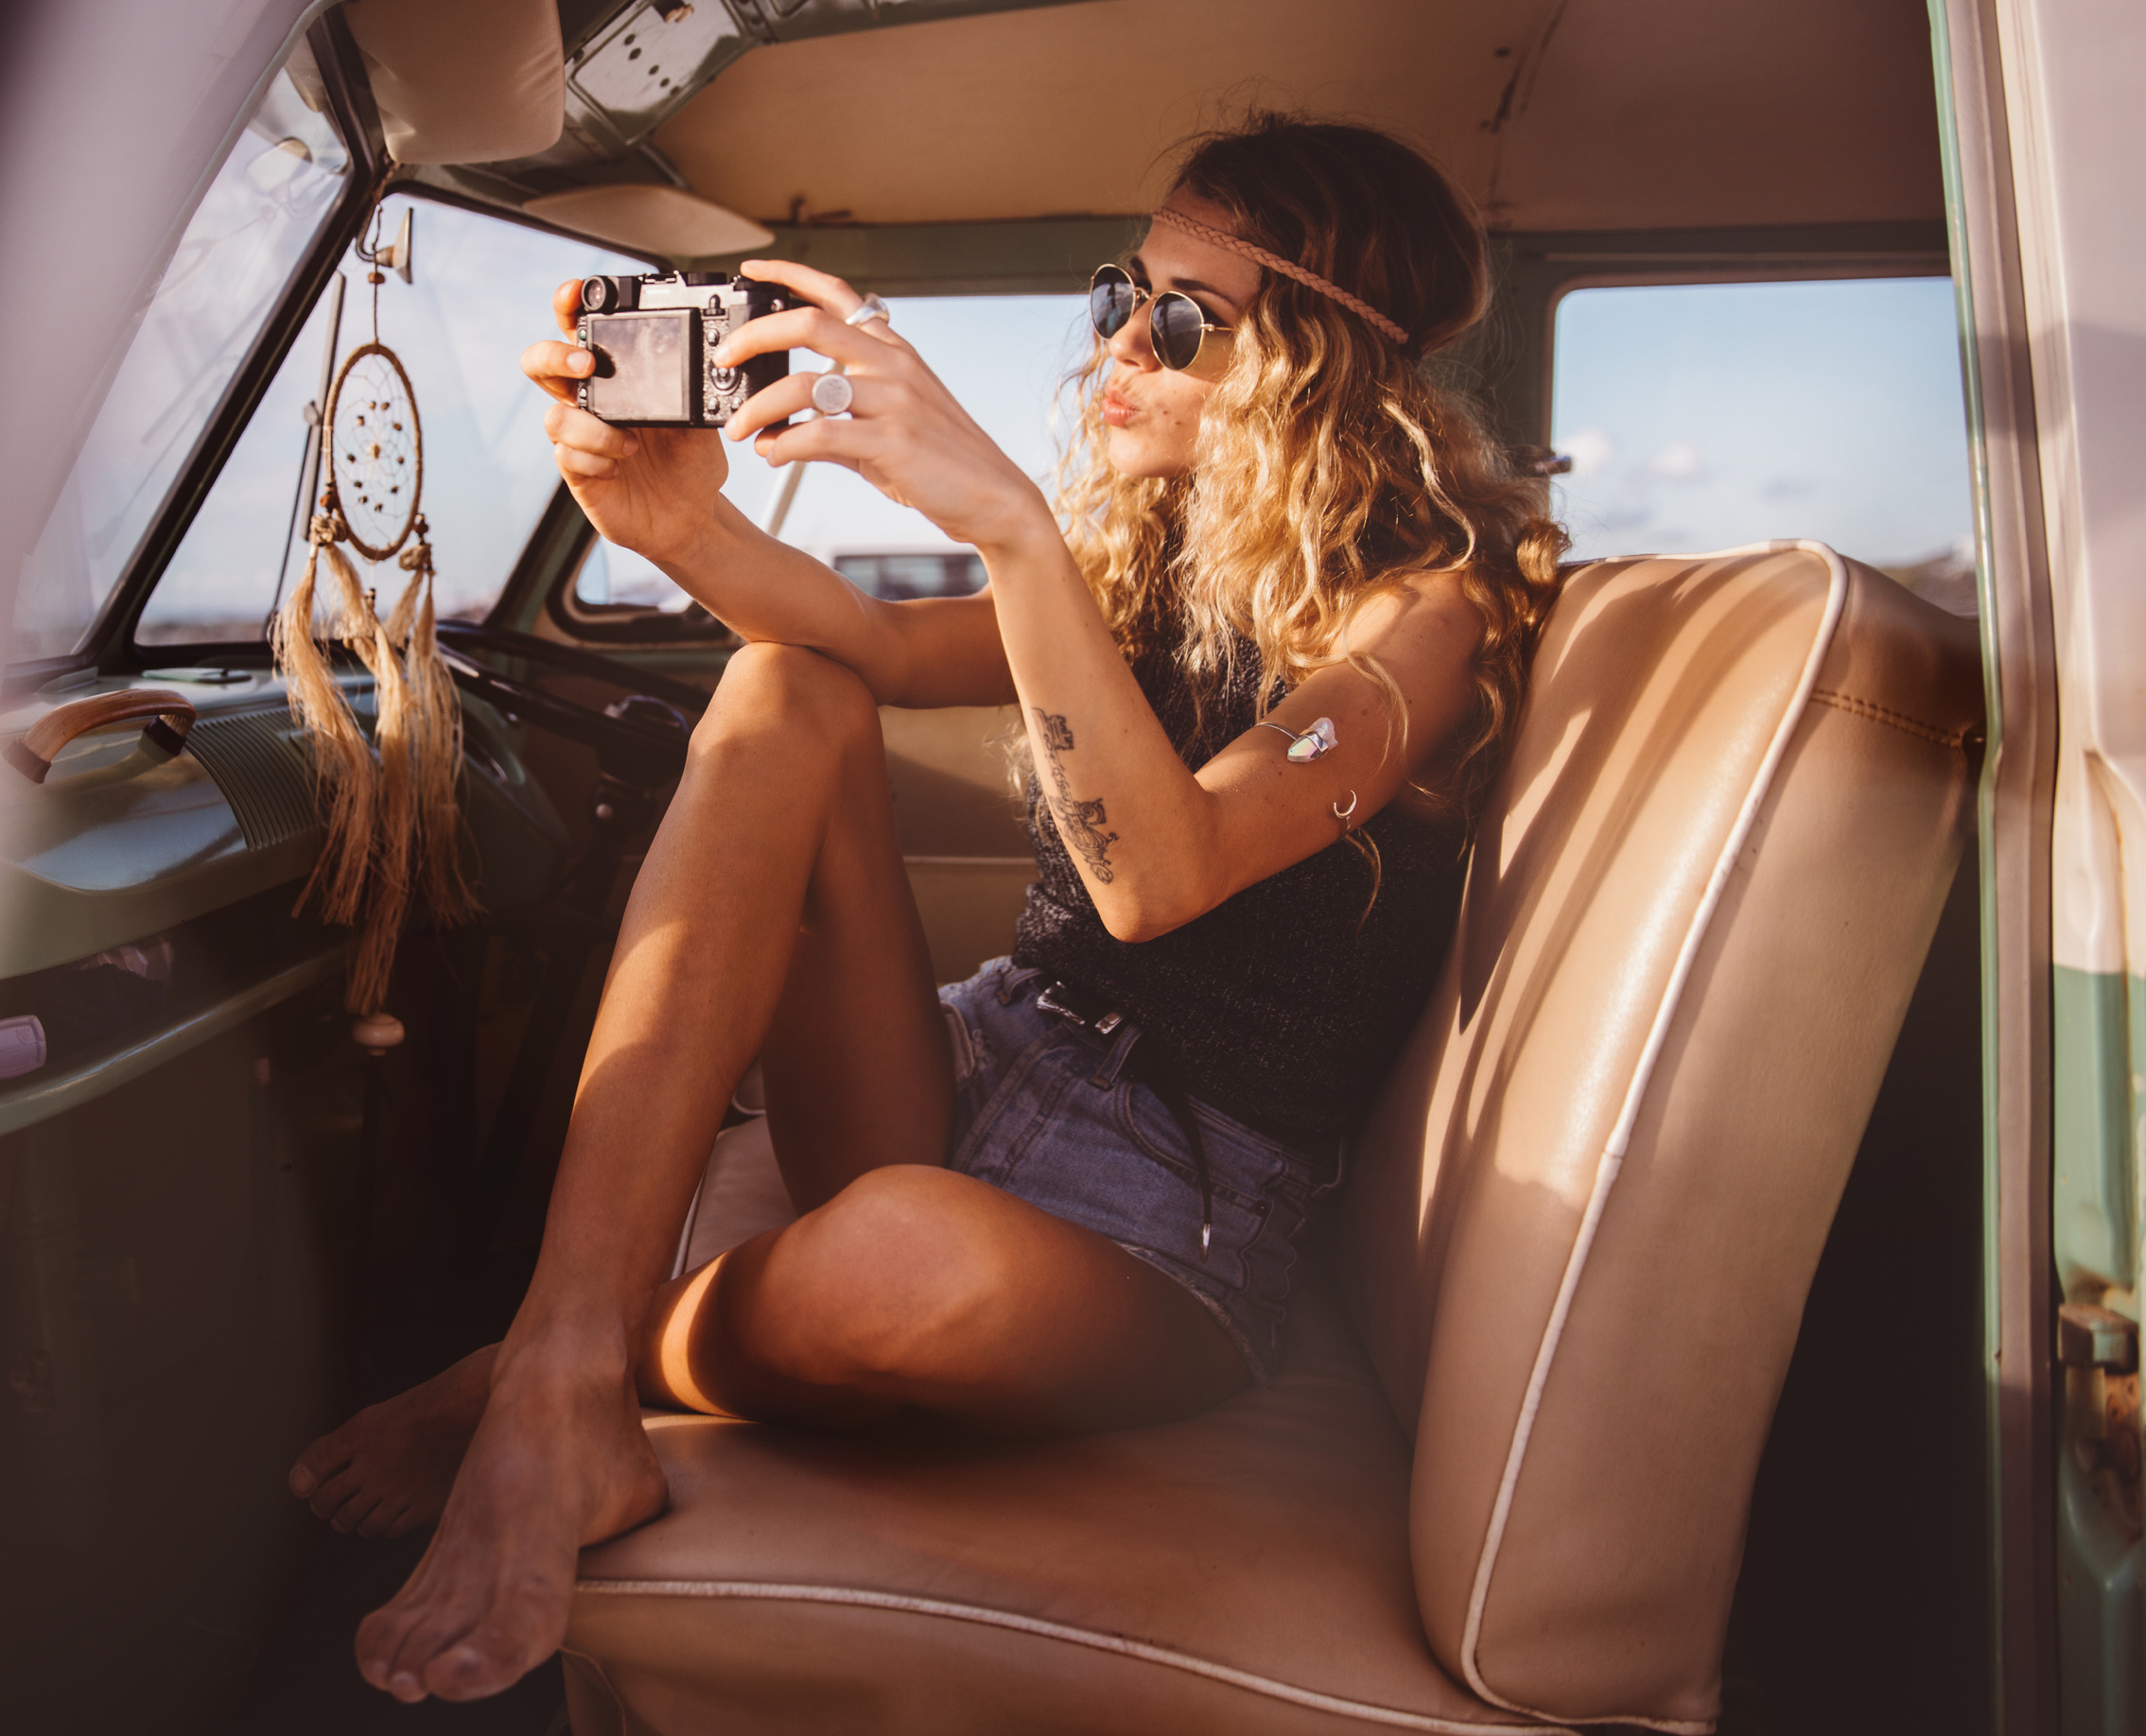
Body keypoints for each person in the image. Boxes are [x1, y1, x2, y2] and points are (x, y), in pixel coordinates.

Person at [287, 115, 1565, 1703]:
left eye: (1182, 324)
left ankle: (537, 1362)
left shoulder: (1421, 612)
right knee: (778, 689)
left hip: (1179, 1208)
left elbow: (1160, 881)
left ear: (1312, 366)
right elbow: (864, 654)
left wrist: (1007, 517)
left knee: (899, 1256)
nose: (1120, 348)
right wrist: (673, 524)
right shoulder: (1158, 561)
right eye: (1119, 296)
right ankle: (557, 1371)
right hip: (978, 1062)